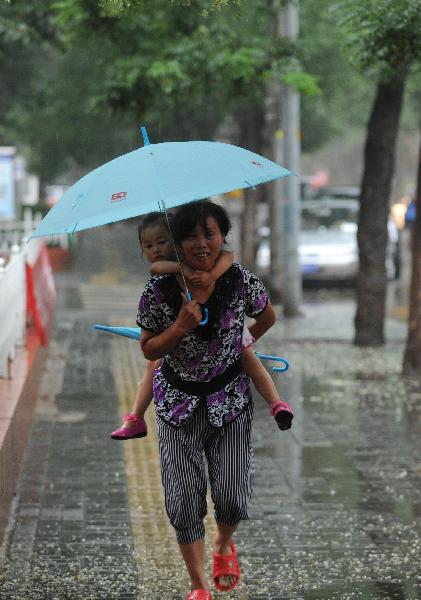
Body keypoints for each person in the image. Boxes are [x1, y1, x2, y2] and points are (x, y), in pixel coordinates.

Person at [136, 200, 286, 600]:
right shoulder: (160, 289)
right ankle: (198, 584)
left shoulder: (238, 279)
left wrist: (242, 341)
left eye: (210, 234)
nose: (201, 243)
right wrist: (180, 326)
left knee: (234, 498)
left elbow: (267, 316)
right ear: (177, 242)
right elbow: (150, 350)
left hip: (230, 401)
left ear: (222, 236)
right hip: (176, 406)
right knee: (183, 502)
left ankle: (222, 544)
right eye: (190, 236)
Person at [111, 211, 293, 441]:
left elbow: (229, 256)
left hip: (231, 406)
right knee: (153, 364)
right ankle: (136, 417)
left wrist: (239, 337)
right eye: (147, 245)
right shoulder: (158, 283)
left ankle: (277, 403)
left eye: (161, 242)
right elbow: (155, 271)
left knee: (251, 360)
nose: (155, 250)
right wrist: (183, 273)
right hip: (176, 407)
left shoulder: (236, 276)